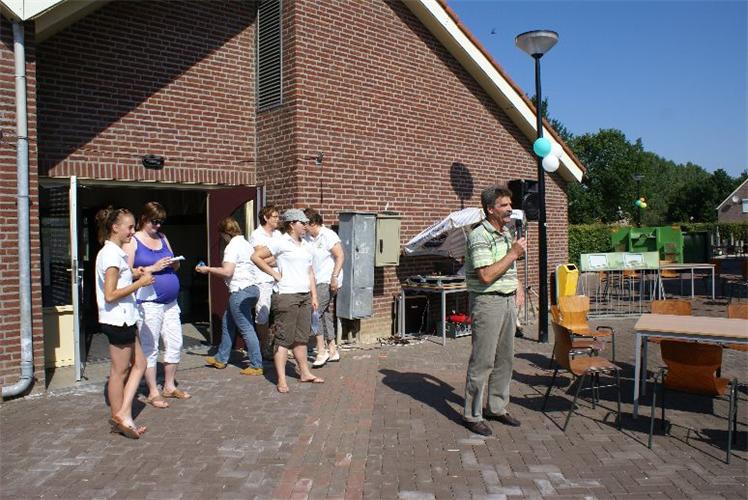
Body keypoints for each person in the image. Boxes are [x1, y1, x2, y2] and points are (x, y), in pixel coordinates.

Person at [462, 185, 527, 436]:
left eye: (510, 204)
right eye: (504, 205)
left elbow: (508, 267)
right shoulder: (479, 236)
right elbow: (486, 275)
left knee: (505, 359)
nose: (510, 209)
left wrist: (517, 286)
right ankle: (472, 415)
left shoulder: (506, 232)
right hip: (488, 302)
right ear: (490, 209)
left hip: (507, 301)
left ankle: (497, 407)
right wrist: (513, 253)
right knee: (483, 361)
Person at [94, 207, 154, 439]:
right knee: (120, 371)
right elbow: (110, 294)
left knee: (140, 364)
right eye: (129, 227)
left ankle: (122, 415)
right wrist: (140, 283)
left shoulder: (114, 253)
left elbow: (119, 278)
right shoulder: (110, 255)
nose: (132, 232)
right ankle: (121, 417)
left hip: (125, 318)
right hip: (118, 319)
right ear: (115, 227)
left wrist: (135, 273)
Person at [123, 202, 190, 409]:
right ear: (144, 219)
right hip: (148, 302)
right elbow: (126, 273)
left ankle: (169, 386)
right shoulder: (133, 241)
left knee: (175, 341)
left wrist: (174, 263)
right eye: (154, 221)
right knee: (150, 346)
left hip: (170, 302)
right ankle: (153, 391)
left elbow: (172, 264)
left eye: (161, 222)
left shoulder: (162, 238)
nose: (158, 225)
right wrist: (153, 267)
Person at [251, 208, 324, 393]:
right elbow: (256, 257)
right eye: (303, 223)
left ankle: (305, 373)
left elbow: (310, 271)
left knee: (301, 338)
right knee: (283, 339)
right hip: (286, 296)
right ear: (292, 224)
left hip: (304, 296)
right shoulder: (280, 241)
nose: (306, 226)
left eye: (307, 223)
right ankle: (282, 379)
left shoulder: (306, 245)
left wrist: (314, 295)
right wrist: (274, 273)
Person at [197, 217, 263, 375]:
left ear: (225, 233)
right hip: (252, 289)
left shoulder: (232, 246)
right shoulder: (246, 244)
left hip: (240, 291)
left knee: (246, 328)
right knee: (228, 323)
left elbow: (227, 271)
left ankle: (256, 365)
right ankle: (221, 358)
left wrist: (207, 269)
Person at [303, 208, 344, 367]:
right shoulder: (307, 238)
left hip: (327, 280)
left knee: (314, 312)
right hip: (315, 281)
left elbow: (340, 256)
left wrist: (334, 277)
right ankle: (332, 349)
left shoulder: (328, 235)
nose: (303, 227)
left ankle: (321, 351)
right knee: (324, 313)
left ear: (313, 223)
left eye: (305, 224)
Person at [248, 205, 282, 359]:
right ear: (265, 218)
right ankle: (264, 346)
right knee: (263, 314)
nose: (277, 219)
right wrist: (276, 257)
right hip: (263, 280)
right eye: (274, 216)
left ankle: (279, 346)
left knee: (280, 312)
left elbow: (275, 257)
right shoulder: (257, 235)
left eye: (277, 216)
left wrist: (272, 258)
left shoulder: (278, 234)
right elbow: (260, 259)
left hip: (279, 280)